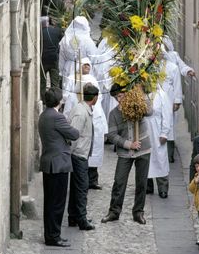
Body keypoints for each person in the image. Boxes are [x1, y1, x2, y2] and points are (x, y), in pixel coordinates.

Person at [101, 83, 153, 225]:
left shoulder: (138, 105)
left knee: (141, 182)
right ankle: (114, 211)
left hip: (143, 149)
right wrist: (128, 144)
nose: (120, 99)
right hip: (125, 152)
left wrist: (141, 92)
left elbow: (150, 111)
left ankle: (138, 212)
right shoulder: (113, 113)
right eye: (117, 97)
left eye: (122, 95)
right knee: (119, 181)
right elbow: (111, 135)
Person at [38, 88, 79, 247]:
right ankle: (54, 236)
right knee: (57, 202)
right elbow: (74, 134)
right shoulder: (57, 117)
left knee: (49, 202)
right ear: (59, 101)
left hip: (49, 162)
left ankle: (50, 234)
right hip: (58, 164)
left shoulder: (44, 115)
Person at [63, 57, 108, 190]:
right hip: (80, 135)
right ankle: (81, 181)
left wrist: (104, 129)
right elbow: (68, 111)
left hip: (95, 125)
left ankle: (93, 179)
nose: (87, 67)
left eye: (89, 65)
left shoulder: (96, 98)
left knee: (95, 152)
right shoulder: (74, 92)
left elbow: (100, 109)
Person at [67, 83, 99, 230]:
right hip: (78, 155)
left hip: (80, 154)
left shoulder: (84, 109)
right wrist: (70, 154)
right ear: (95, 98)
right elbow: (74, 135)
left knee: (76, 187)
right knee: (81, 188)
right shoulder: (81, 112)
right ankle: (81, 218)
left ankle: (74, 216)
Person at [146, 85, 173, 198]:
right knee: (145, 158)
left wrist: (164, 133)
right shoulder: (141, 93)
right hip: (144, 130)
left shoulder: (161, 95)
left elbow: (167, 115)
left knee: (160, 159)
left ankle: (163, 187)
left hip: (157, 131)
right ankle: (147, 185)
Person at [58, 16, 98, 84]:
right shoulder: (87, 41)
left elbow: (61, 57)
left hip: (68, 68)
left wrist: (61, 71)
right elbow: (94, 58)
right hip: (84, 69)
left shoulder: (65, 39)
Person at [161, 56, 183, 163]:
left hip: (168, 100)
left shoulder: (173, 67)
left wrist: (177, 100)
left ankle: (170, 154)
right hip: (155, 101)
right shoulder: (149, 66)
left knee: (169, 126)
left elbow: (177, 84)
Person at [40, 16, 63, 103]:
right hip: (54, 59)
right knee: (54, 81)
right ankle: (56, 100)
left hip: (43, 60)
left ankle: (43, 100)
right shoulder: (56, 31)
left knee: (42, 81)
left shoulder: (40, 32)